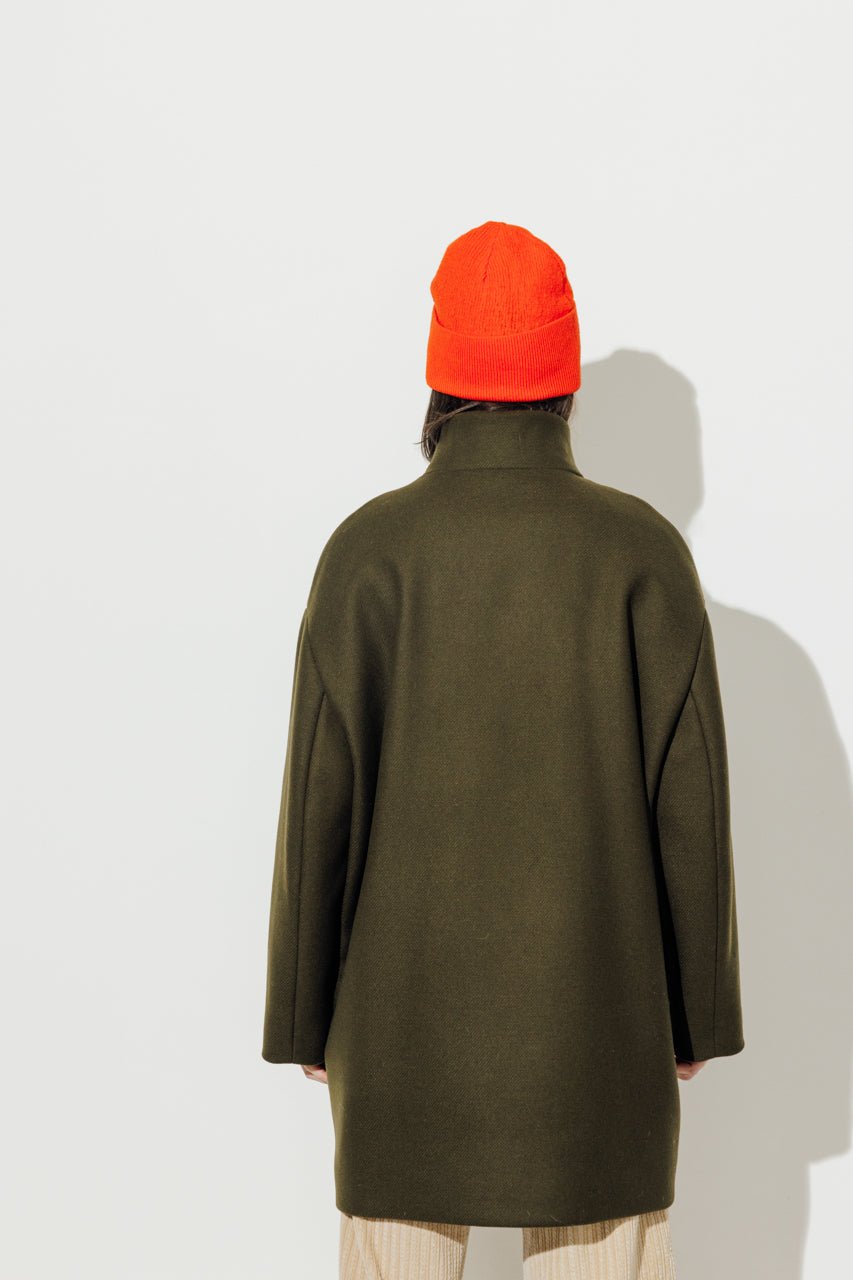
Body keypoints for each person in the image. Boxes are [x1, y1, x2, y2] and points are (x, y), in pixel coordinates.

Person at [262, 219, 746, 1279]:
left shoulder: (366, 553)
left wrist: (303, 1013)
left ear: (439, 378)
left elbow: (318, 797)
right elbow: (692, 803)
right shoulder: (641, 553)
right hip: (598, 1048)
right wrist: (694, 1015)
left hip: (398, 1050)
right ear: (562, 379)